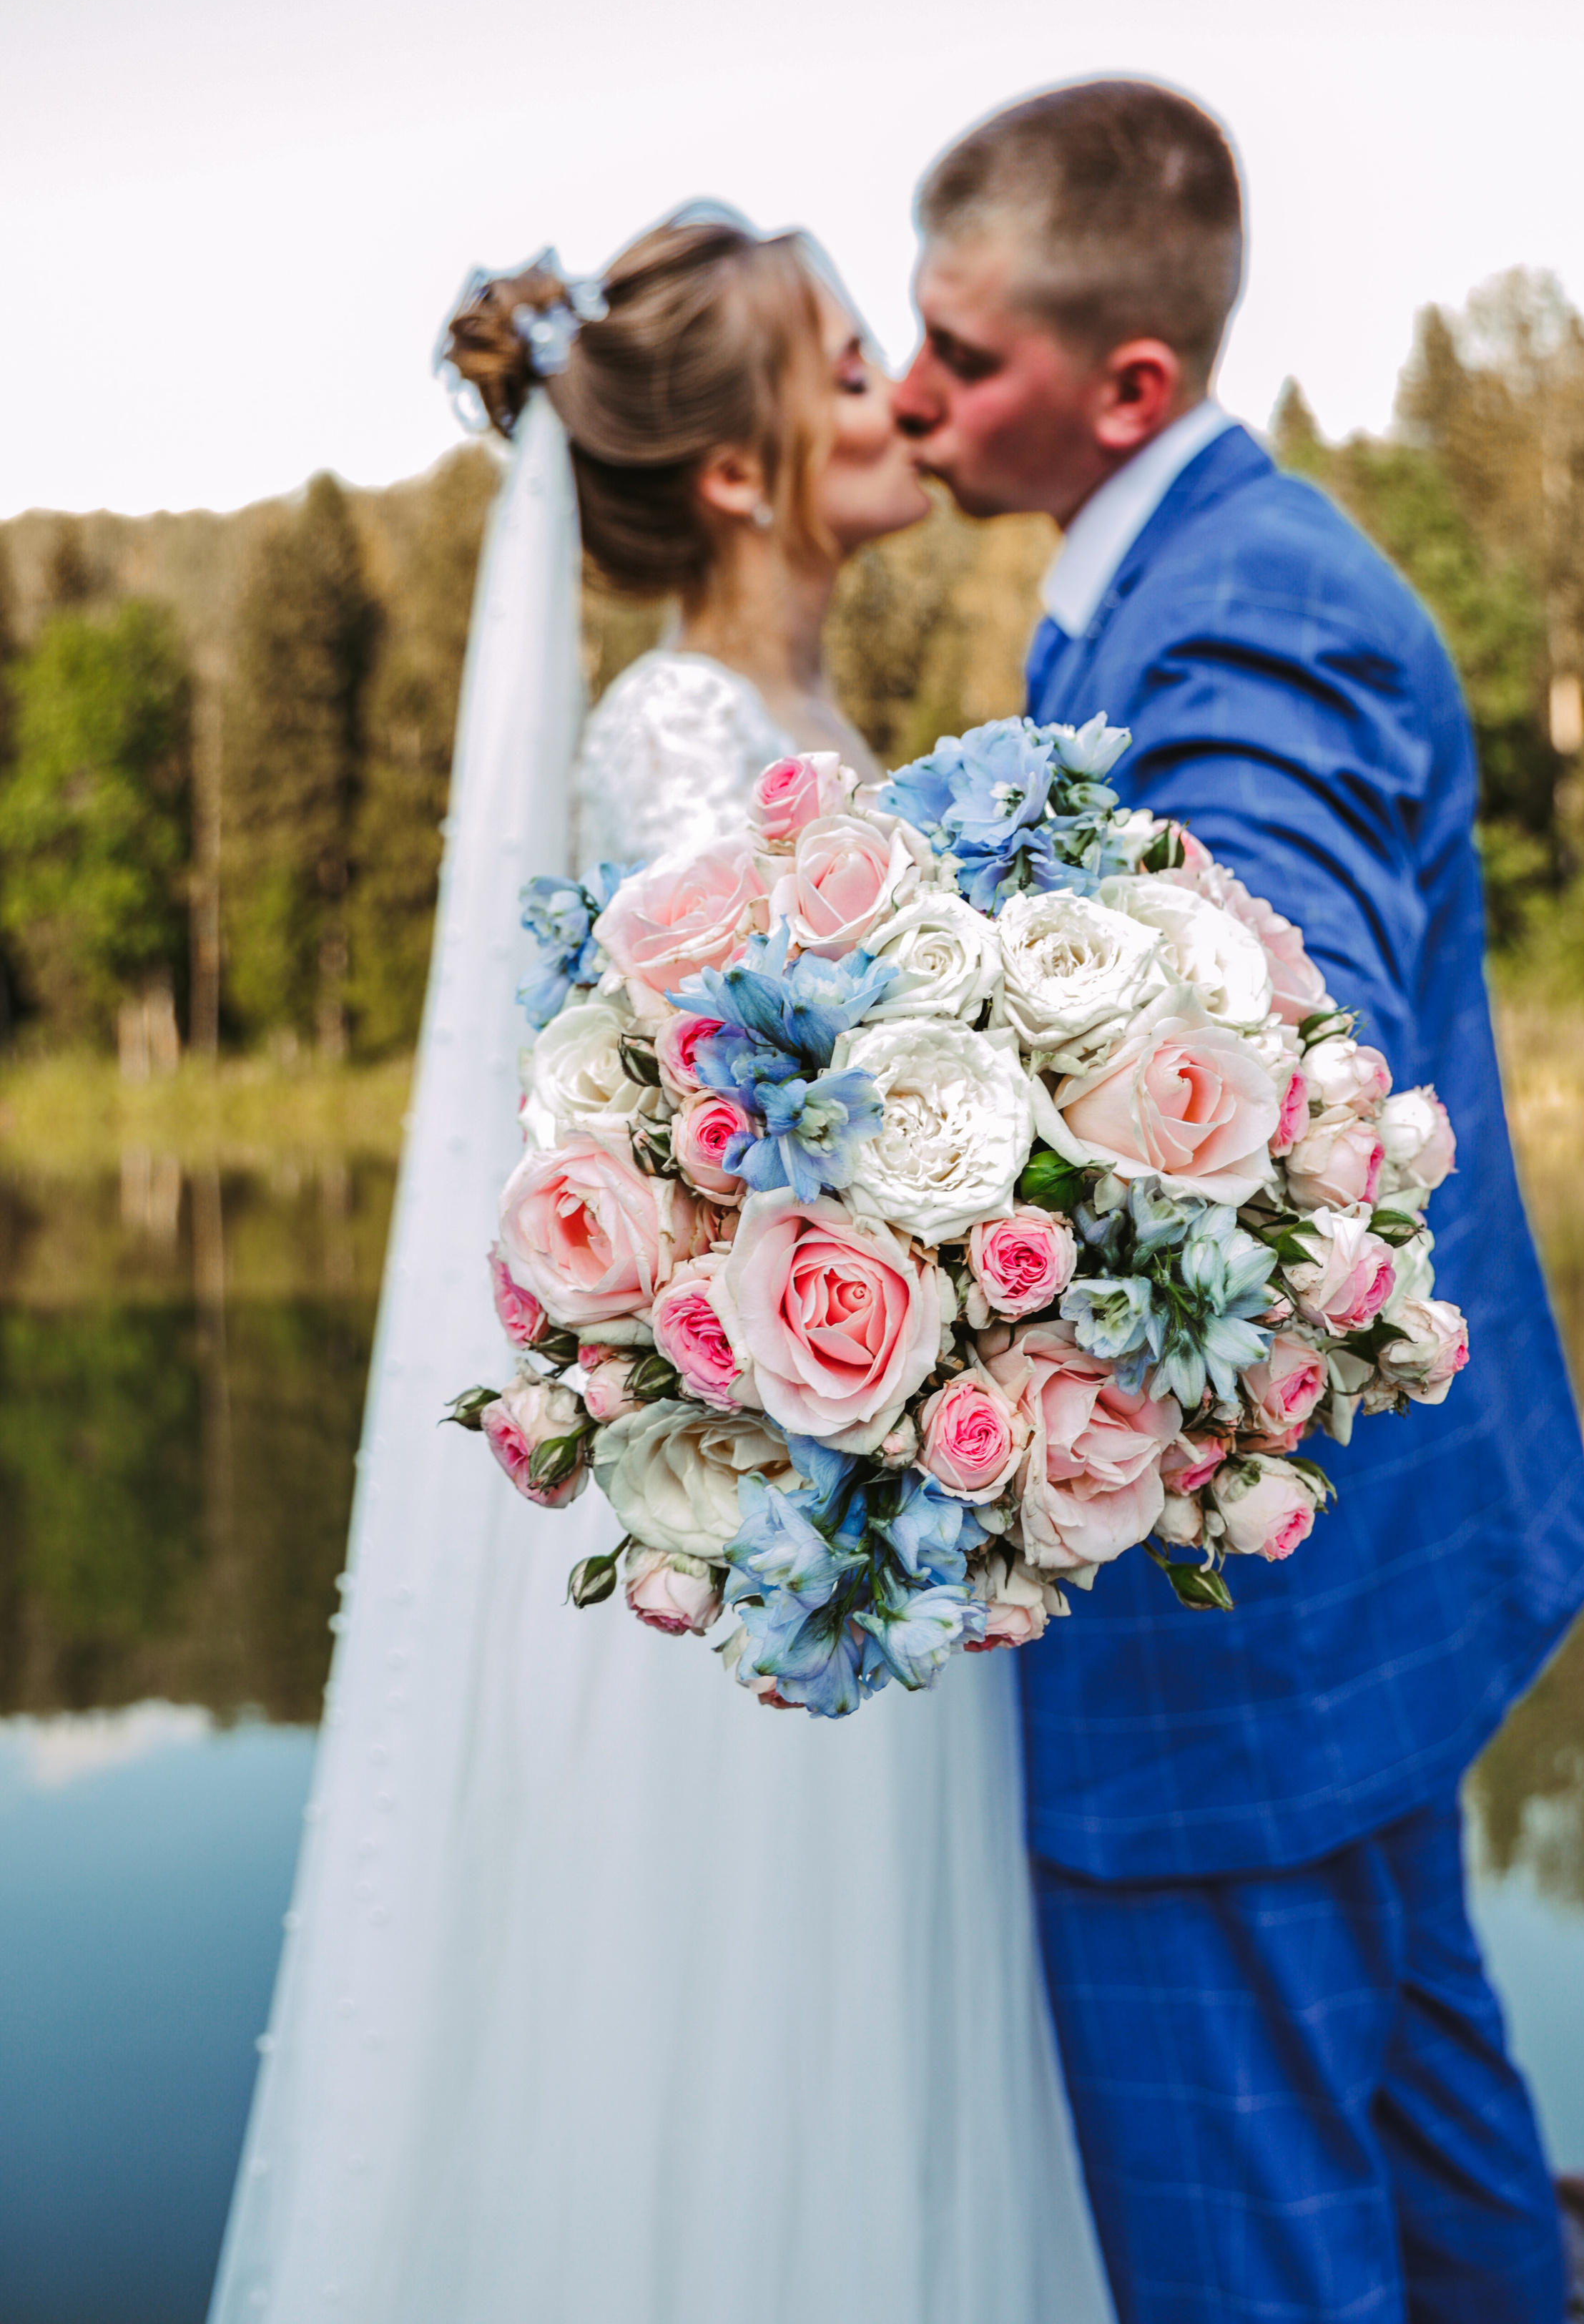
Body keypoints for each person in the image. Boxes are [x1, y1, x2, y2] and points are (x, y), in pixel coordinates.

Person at [210, 212, 1113, 2324]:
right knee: (740, 2042)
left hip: (870, 1463)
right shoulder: (685, 730)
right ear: (735, 472)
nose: (902, 385)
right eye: (854, 353)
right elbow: (764, 1157)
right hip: (778, 1487)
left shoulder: (802, 700)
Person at [892, 80, 1584, 2324]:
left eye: (964, 356)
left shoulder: (1239, 625)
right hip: (1377, 1586)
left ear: (1125, 383)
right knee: (1424, 2143)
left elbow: (1261, 1045)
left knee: (1246, 2261)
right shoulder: (1205, 570)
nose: (911, 397)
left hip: (1239, 1630)